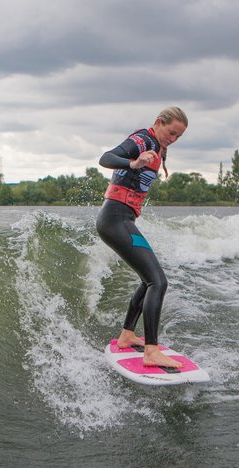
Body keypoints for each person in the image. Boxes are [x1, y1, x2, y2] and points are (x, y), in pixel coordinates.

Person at [96, 106, 188, 368]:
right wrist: (133, 162)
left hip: (119, 221)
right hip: (114, 220)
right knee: (158, 282)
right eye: (171, 132)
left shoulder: (157, 147)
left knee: (149, 280)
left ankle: (126, 335)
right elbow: (106, 158)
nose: (173, 139)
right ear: (159, 123)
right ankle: (151, 351)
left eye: (178, 137)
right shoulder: (142, 140)